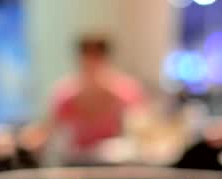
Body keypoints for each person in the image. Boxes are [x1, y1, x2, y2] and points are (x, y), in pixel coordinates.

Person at [21, 35, 145, 164]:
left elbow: (143, 130)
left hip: (117, 166)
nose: (91, 64)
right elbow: (49, 128)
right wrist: (30, 139)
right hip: (79, 165)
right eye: (87, 58)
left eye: (96, 57)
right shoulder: (66, 94)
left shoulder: (126, 92)